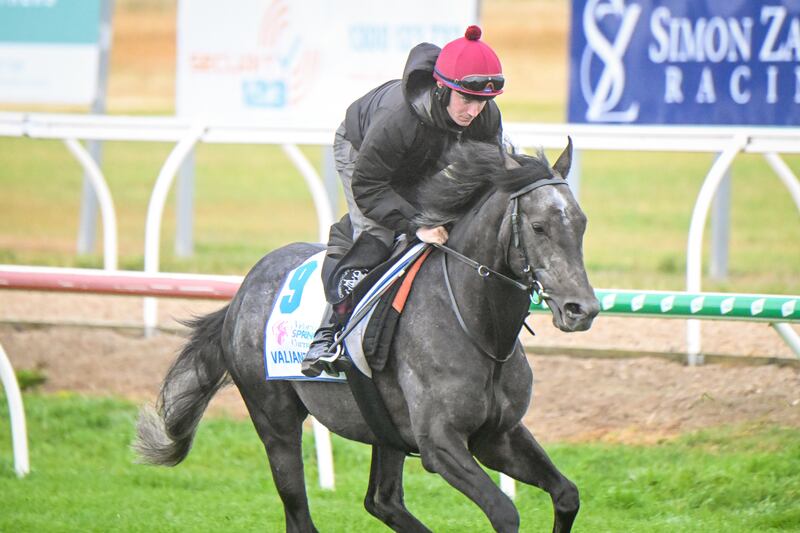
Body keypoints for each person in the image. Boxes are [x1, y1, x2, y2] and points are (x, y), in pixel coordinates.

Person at [301, 25, 506, 377]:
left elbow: (489, 176)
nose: (474, 112)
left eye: (483, 102)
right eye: (467, 100)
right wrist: (417, 223)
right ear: (443, 88)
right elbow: (370, 186)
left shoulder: (484, 115)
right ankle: (328, 335)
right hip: (363, 154)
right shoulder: (399, 120)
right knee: (381, 234)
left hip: (421, 155)